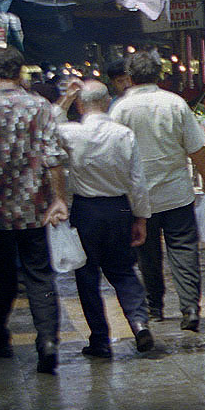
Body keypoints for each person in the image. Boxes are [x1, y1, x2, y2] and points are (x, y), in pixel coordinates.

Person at [0, 46, 69, 375]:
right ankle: (48, 341)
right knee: (39, 275)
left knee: (0, 277)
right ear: (21, 71)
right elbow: (53, 159)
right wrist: (58, 199)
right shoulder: (41, 107)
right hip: (34, 208)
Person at [111, 50, 205, 331]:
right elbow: (196, 147)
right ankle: (190, 308)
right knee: (183, 249)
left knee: (147, 252)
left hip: (139, 197)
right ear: (158, 75)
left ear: (131, 77)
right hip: (176, 192)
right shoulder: (175, 103)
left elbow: (115, 153)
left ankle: (155, 307)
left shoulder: (121, 109)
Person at [56, 81, 154, 358]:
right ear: (108, 101)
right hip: (119, 209)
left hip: (86, 211)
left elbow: (47, 125)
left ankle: (99, 339)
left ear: (79, 104)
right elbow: (138, 182)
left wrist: (65, 99)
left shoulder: (71, 132)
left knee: (87, 276)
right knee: (123, 270)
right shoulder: (123, 134)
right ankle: (139, 323)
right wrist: (141, 219)